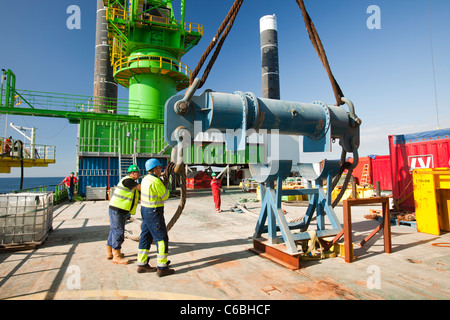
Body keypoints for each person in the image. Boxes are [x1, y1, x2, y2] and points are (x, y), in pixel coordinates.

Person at [137, 158, 174, 277]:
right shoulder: (156, 181)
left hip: (144, 210)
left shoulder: (144, 179)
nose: (160, 170)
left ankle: (142, 264)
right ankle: (162, 267)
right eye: (159, 168)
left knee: (145, 237)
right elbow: (165, 196)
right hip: (154, 212)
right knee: (161, 238)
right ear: (154, 169)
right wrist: (166, 186)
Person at [107, 165, 141, 265]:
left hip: (119, 210)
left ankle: (110, 253)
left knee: (113, 231)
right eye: (138, 172)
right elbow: (140, 188)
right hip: (117, 210)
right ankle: (116, 256)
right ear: (133, 173)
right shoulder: (128, 181)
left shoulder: (129, 181)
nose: (139, 174)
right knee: (118, 232)